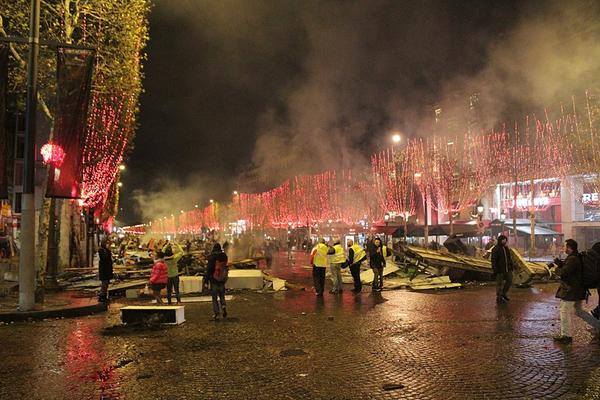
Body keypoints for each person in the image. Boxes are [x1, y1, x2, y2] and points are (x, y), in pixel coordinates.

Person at [551, 239, 589, 344]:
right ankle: (597, 325)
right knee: (579, 311)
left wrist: (556, 268)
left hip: (571, 290)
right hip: (577, 290)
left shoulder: (572, 259)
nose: (564, 249)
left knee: (564, 311)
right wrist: (560, 263)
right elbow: (569, 269)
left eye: (565, 247)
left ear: (570, 248)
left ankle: (566, 336)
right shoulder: (575, 257)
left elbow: (564, 273)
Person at [205, 243, 228, 320]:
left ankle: (216, 313)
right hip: (222, 279)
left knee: (214, 298)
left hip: (214, 280)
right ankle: (223, 306)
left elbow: (209, 270)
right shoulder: (224, 256)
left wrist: (206, 281)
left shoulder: (212, 257)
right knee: (222, 295)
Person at [491, 234, 514, 304]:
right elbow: (493, 260)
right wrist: (495, 269)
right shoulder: (495, 249)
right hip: (500, 270)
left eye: (505, 240)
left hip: (508, 269)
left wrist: (511, 266)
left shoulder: (506, 248)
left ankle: (504, 293)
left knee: (509, 281)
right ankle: (499, 297)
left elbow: (509, 258)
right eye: (503, 240)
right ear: (500, 240)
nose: (504, 241)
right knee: (499, 284)